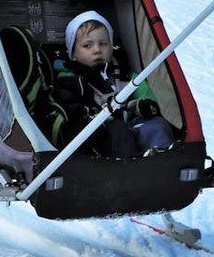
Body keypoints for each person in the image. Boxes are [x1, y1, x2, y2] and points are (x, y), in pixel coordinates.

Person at [51, 10, 175, 157]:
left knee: (157, 125)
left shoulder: (125, 73)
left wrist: (145, 106)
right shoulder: (69, 81)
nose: (97, 50)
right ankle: (131, 166)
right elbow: (72, 111)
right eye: (87, 46)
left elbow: (146, 95)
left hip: (133, 122)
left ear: (111, 47)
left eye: (103, 44)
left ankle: (163, 158)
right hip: (99, 135)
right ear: (73, 54)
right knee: (118, 130)